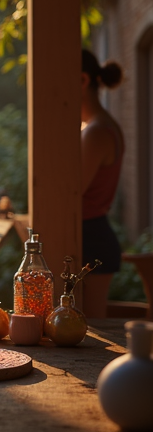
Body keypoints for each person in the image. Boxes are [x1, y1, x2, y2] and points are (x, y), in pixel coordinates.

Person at [80, 50, 124, 318]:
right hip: (92, 234)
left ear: (83, 80)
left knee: (91, 331)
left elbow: (71, 192)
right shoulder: (99, 126)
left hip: (91, 237)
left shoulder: (97, 132)